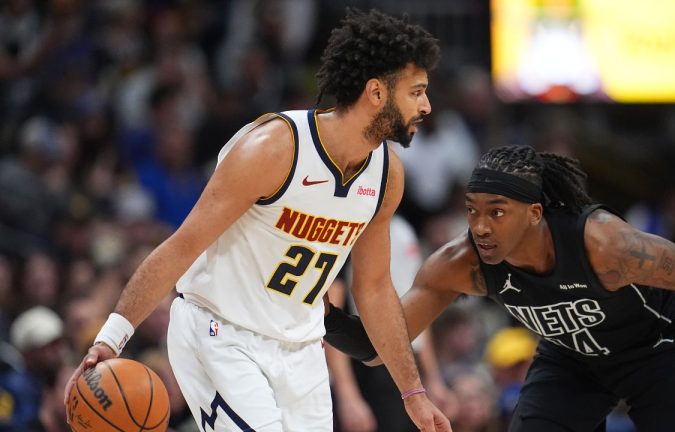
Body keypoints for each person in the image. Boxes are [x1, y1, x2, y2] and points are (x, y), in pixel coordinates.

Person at [64, 9, 451, 432]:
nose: (426, 106)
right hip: (222, 334)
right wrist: (111, 337)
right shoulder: (273, 149)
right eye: (416, 92)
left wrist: (413, 393)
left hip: (302, 349)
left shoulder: (386, 175)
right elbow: (182, 245)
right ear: (376, 92)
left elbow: (374, 289)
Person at [323, 145, 675, 431]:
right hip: (572, 358)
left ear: (535, 214)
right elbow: (379, 346)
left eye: (496, 212)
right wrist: (323, 317)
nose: (480, 226)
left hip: (655, 351)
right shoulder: (462, 264)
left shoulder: (602, 243)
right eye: (472, 211)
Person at [326, 214, 458, 431]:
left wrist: (432, 378)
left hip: (407, 364)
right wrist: (348, 394)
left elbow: (420, 312)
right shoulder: (353, 224)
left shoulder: (403, 229)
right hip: (368, 363)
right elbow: (329, 317)